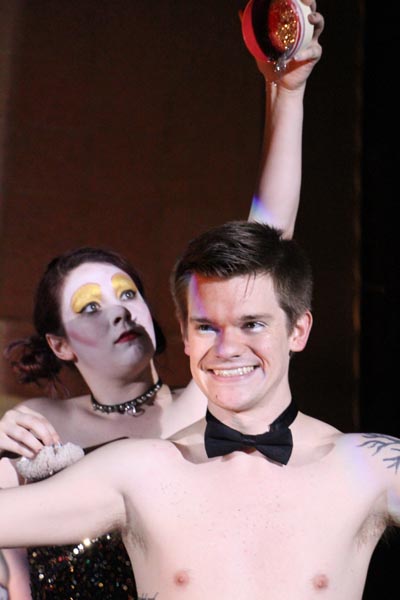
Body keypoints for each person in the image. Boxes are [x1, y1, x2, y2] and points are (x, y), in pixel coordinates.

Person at [0, 3, 324, 598]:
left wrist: (288, 92)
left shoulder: (202, 401)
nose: (119, 310)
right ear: (60, 345)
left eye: (127, 293)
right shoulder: (35, 432)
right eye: (90, 307)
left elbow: (267, 242)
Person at [1, 220, 399, 600]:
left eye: (252, 324)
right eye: (207, 327)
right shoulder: (139, 470)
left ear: (297, 330)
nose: (227, 349)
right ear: (186, 334)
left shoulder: (365, 466)